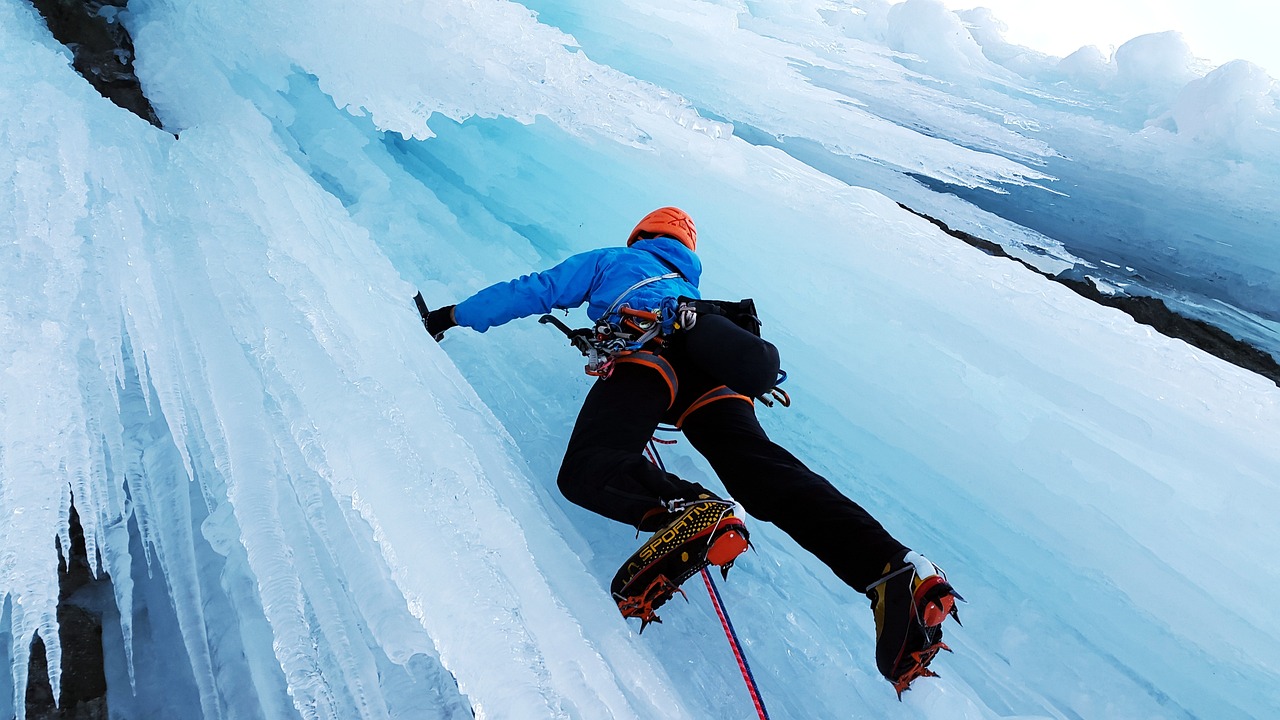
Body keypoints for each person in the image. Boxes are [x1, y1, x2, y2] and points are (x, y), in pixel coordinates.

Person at [421, 207, 961, 694]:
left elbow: (534, 288)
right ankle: (894, 568)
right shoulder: (695, 296)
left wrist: (450, 316)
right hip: (717, 376)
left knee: (590, 467)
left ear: (640, 237)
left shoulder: (615, 261)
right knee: (762, 472)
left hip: (649, 357)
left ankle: (692, 509)